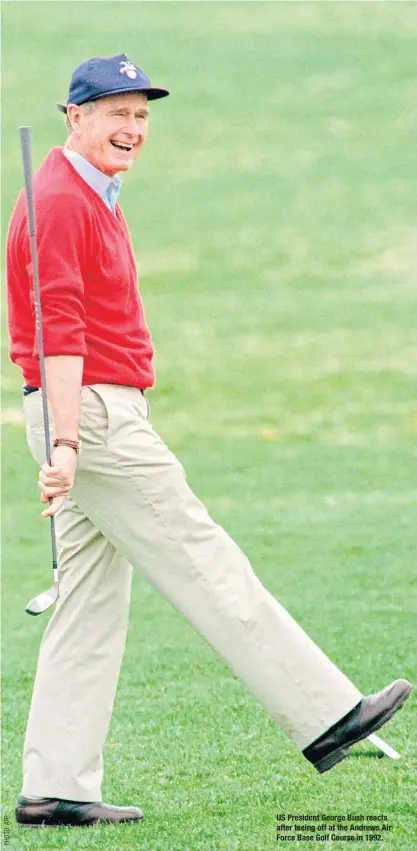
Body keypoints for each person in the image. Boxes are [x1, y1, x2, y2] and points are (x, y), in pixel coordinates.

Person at [6, 53, 412, 830]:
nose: (132, 128)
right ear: (74, 117)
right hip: (88, 412)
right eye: (116, 112)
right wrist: (64, 446)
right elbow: (59, 329)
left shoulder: (87, 191)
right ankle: (327, 713)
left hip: (88, 409)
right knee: (200, 551)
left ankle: (53, 786)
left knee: (88, 603)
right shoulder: (61, 197)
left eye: (142, 115)